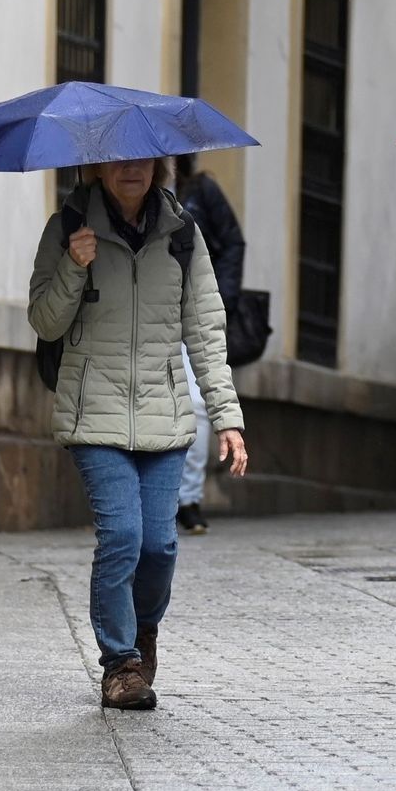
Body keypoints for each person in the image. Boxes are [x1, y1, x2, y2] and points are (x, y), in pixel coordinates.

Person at [29, 158, 249, 711]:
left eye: (142, 159)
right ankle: (121, 664)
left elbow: (205, 329)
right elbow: (45, 321)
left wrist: (227, 417)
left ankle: (143, 628)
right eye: (118, 159)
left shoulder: (183, 235)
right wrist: (75, 266)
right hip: (93, 414)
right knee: (122, 537)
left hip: (164, 413)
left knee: (160, 545)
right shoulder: (66, 229)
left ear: (158, 166)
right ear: (98, 168)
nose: (131, 169)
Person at [172, 154, 246, 536]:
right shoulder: (123, 195)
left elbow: (233, 241)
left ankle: (188, 498)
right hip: (142, 315)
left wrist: (223, 299)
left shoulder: (200, 190)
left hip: (192, 311)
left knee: (199, 404)